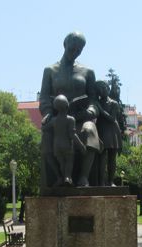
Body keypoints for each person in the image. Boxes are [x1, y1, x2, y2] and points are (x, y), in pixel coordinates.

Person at [39, 31, 101, 187]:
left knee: (90, 129)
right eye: (72, 49)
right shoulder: (50, 71)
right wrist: (47, 113)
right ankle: (60, 177)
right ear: (65, 45)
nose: (75, 52)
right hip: (57, 119)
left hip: (79, 119)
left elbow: (94, 100)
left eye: (79, 50)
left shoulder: (88, 72)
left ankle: (83, 177)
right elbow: (45, 98)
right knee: (46, 136)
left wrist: (91, 111)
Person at [41, 95, 86, 186]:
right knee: (69, 161)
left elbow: (44, 128)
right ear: (67, 106)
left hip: (56, 146)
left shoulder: (53, 120)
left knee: (61, 162)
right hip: (67, 145)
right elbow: (72, 134)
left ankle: (63, 177)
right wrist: (81, 145)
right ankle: (67, 177)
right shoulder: (70, 119)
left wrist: (44, 122)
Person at [95, 81, 124, 186]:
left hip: (112, 131)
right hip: (101, 130)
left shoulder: (113, 103)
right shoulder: (96, 102)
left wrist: (101, 110)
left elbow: (112, 118)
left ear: (108, 88)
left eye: (105, 88)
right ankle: (101, 182)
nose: (103, 90)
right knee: (101, 157)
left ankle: (111, 181)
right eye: (100, 89)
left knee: (112, 158)